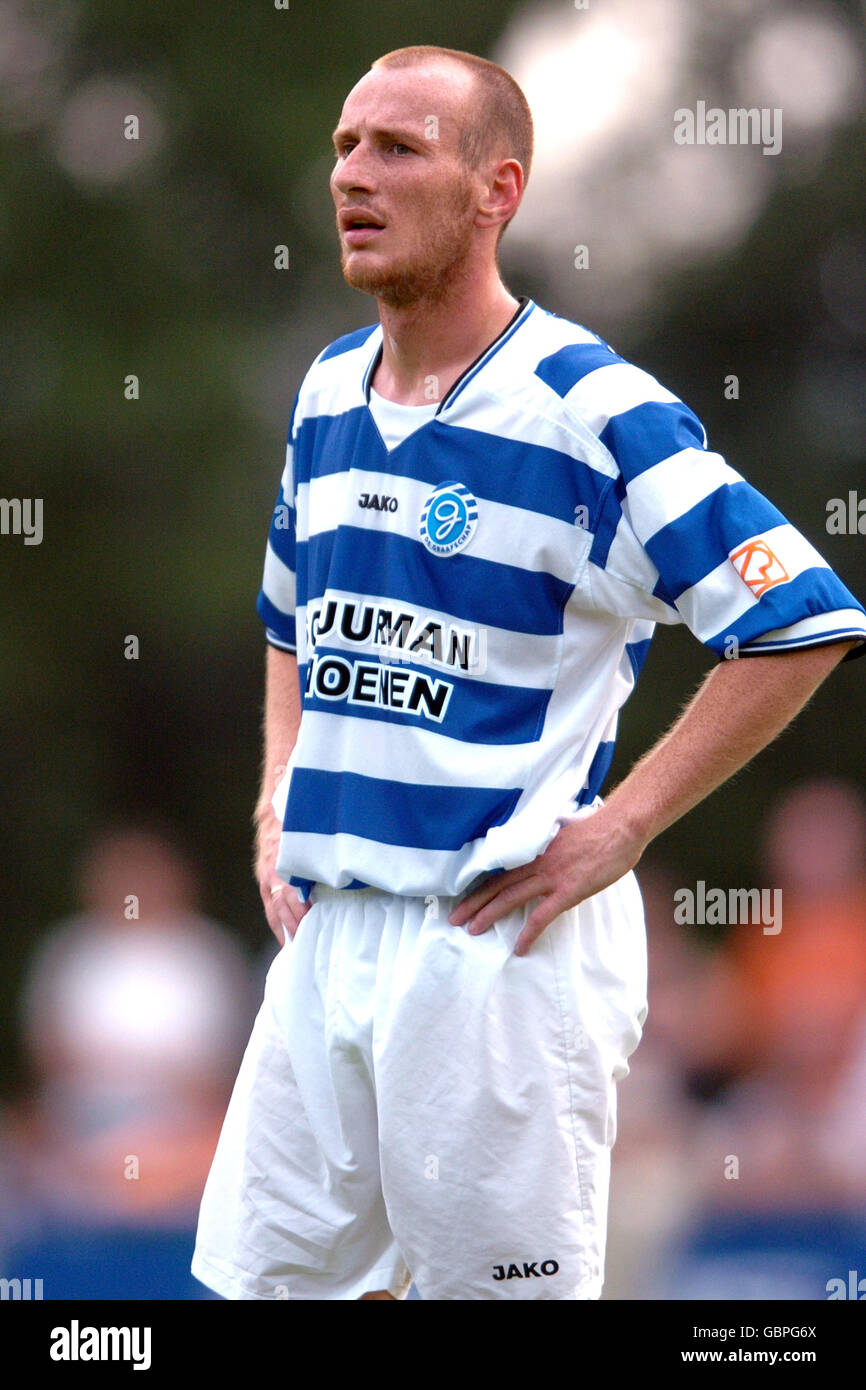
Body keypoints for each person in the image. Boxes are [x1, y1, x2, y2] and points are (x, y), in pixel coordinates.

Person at [191, 45, 866, 1301]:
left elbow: (797, 621)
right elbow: (286, 613)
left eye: (398, 148)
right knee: (262, 1290)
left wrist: (620, 829)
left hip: (493, 943)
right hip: (330, 935)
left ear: (496, 189)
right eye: (345, 146)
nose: (353, 174)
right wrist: (277, 786)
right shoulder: (330, 387)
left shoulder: (589, 407)